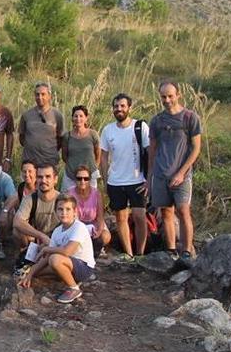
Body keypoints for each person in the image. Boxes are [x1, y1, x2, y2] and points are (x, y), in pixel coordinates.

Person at [149, 81, 202, 260]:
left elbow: (196, 148)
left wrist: (181, 172)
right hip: (161, 173)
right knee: (166, 212)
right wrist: (150, 177)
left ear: (178, 95)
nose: (167, 100)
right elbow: (152, 150)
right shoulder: (156, 121)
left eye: (170, 96)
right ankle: (171, 251)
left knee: (183, 210)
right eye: (163, 96)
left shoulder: (190, 118)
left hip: (182, 174)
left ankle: (187, 251)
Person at [17, 194, 96, 304]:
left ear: (75, 211)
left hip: (83, 267)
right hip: (68, 263)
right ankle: (63, 276)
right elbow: (47, 258)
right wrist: (31, 273)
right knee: (38, 271)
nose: (64, 212)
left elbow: (68, 251)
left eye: (68, 209)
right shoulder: (57, 231)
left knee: (55, 259)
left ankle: (74, 288)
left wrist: (46, 249)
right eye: (60, 209)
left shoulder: (79, 227)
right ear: (56, 211)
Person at [100, 93, 150, 259]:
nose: (119, 109)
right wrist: (106, 181)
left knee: (139, 217)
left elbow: (150, 153)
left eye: (122, 106)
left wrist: (149, 179)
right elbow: (104, 156)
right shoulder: (108, 130)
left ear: (129, 107)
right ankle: (128, 254)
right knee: (121, 218)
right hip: (116, 181)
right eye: (116, 106)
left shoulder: (140, 127)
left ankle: (140, 253)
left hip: (137, 180)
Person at [13, 164, 61, 248]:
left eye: (48, 177)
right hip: (37, 238)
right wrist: (41, 236)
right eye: (40, 177)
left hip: (57, 240)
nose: (43, 180)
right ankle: (26, 251)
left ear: (55, 179)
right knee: (16, 231)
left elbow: (73, 226)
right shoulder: (30, 199)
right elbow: (17, 222)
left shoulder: (62, 199)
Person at [67, 165, 111, 254]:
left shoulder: (96, 194)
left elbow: (100, 217)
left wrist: (98, 231)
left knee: (105, 236)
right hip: (76, 224)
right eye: (79, 178)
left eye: (86, 178)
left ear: (89, 180)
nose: (82, 181)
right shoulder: (70, 193)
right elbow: (70, 218)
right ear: (75, 180)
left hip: (93, 222)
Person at [18, 82, 64, 168]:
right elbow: (22, 138)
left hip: (49, 163)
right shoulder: (26, 115)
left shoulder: (57, 115)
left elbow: (60, 139)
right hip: (30, 163)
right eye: (37, 94)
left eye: (43, 94)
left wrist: (47, 149)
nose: (40, 97)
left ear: (49, 96)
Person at [61, 105, 101, 191]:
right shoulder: (67, 136)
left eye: (81, 116)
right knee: (68, 201)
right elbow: (64, 157)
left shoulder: (93, 134)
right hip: (70, 176)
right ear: (72, 118)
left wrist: (93, 168)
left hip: (89, 176)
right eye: (76, 116)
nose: (78, 118)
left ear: (86, 118)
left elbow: (98, 154)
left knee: (90, 202)